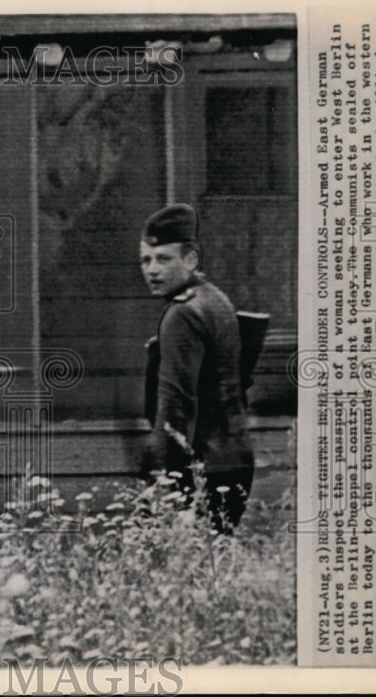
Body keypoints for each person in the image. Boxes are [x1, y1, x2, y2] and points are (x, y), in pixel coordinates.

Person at [139, 203, 255, 533]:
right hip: (234, 461)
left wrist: (162, 478)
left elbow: (176, 402)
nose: (152, 270)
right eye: (146, 260)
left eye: (164, 258)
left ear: (190, 259)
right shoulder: (216, 299)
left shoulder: (182, 315)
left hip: (200, 469)